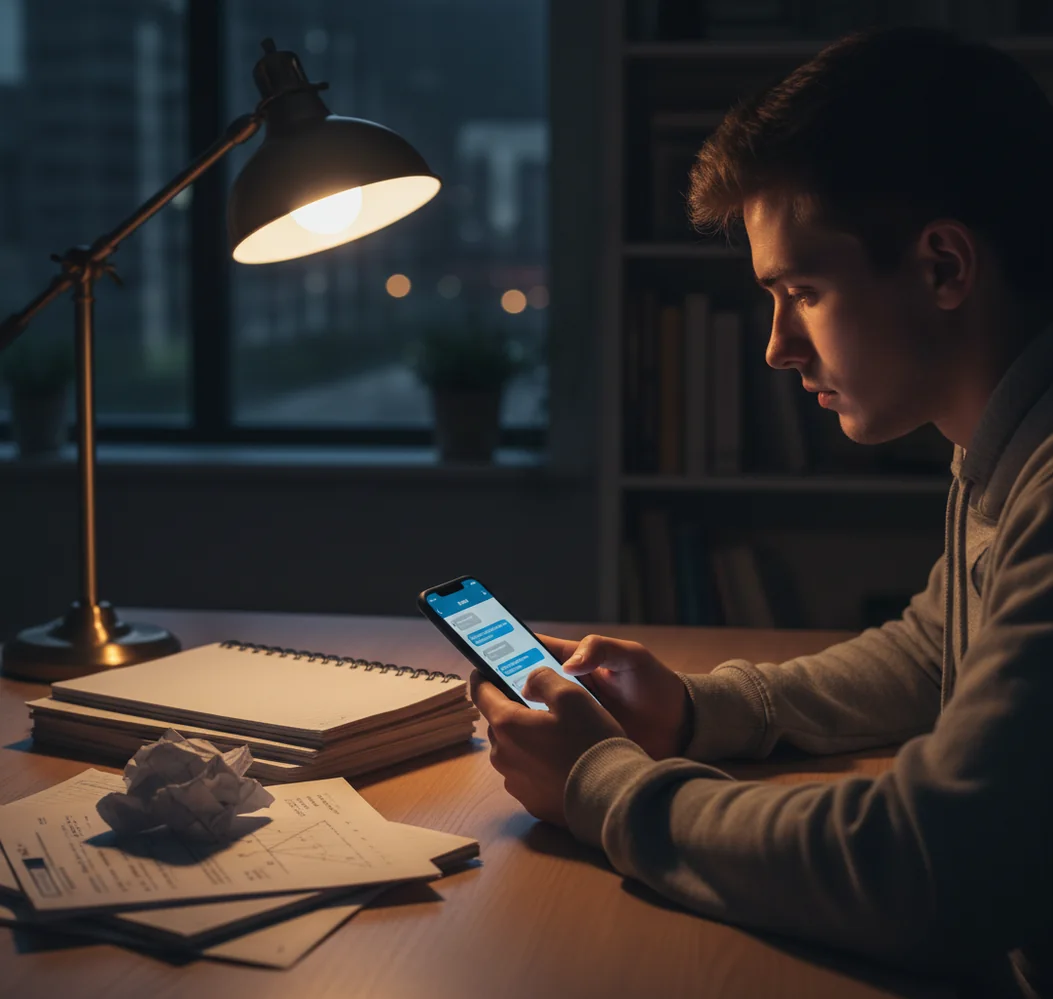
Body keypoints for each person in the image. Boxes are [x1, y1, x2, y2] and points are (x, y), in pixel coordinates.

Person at [470, 26, 1053, 999]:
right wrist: (700, 710)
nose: (778, 346)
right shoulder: (1000, 436)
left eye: (803, 291)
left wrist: (600, 787)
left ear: (945, 267)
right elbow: (933, 649)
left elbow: (928, 868)